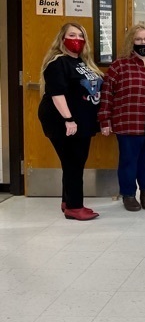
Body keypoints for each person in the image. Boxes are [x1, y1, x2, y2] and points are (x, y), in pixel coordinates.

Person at [99, 25, 145, 211]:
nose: (143, 43)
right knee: (129, 161)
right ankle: (129, 195)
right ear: (131, 42)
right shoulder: (119, 66)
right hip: (129, 123)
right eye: (138, 39)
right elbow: (107, 95)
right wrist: (105, 121)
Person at [38, 23, 104, 221]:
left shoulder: (82, 61)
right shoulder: (57, 63)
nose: (77, 39)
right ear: (62, 38)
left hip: (82, 121)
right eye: (72, 35)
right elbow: (57, 94)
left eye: (80, 36)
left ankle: (68, 201)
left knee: (73, 162)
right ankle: (75, 207)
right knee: (73, 163)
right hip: (64, 121)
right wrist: (69, 120)